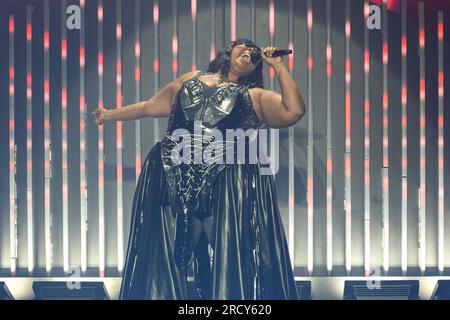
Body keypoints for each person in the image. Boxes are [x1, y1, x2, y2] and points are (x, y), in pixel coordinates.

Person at [92, 39, 305, 300]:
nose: (248, 52)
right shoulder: (191, 79)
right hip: (173, 173)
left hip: (224, 185)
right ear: (229, 50)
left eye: (254, 53)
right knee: (170, 251)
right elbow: (150, 106)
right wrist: (109, 114)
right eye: (243, 47)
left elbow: (293, 111)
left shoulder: (255, 96)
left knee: (227, 252)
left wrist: (279, 67)